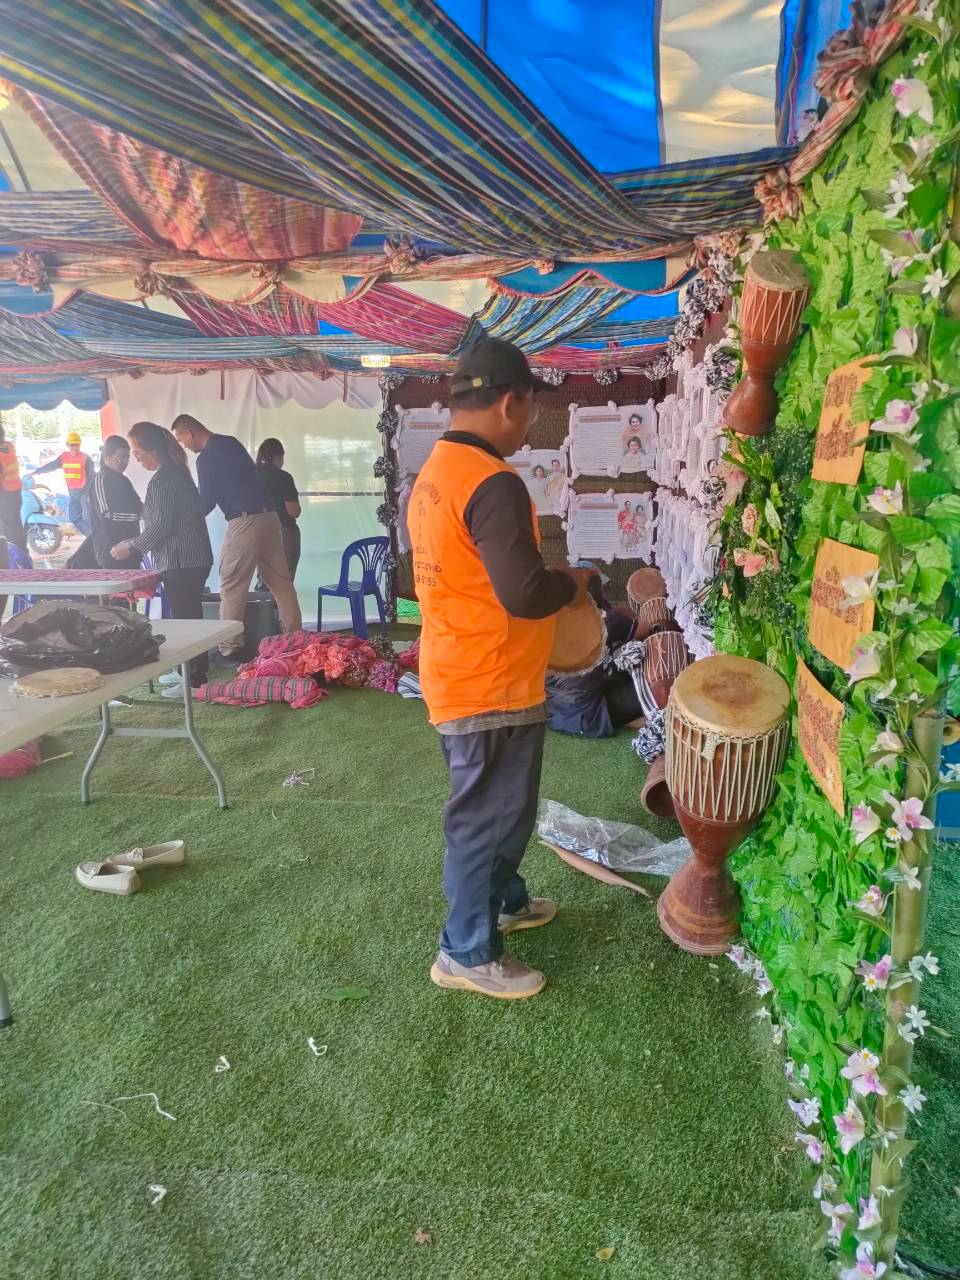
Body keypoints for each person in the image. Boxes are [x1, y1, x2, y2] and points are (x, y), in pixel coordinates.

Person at [409, 337, 593, 1001]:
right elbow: (523, 593)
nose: (526, 427)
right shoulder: (493, 481)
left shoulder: (437, 471)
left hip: (458, 667)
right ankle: (466, 951)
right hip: (490, 683)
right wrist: (571, 583)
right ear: (512, 403)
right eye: (530, 412)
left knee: (496, 811)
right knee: (488, 821)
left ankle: (507, 902)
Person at [171, 414, 301, 658]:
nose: (184, 446)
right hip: (270, 517)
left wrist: (181, 520)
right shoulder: (230, 442)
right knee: (281, 582)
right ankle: (295, 638)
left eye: (181, 440)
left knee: (232, 583)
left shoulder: (206, 457)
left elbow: (206, 501)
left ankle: (229, 647)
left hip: (245, 521)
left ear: (189, 433)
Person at [110, 421, 213, 688]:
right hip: (191, 558)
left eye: (137, 452)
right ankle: (190, 671)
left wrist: (131, 546)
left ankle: (194, 679)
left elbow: (161, 526)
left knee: (186, 620)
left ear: (152, 449)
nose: (136, 458)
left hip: (182, 559)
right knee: (190, 616)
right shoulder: (175, 473)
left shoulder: (164, 480)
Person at [255, 437, 301, 582]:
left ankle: (263, 597)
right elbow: (293, 511)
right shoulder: (284, 477)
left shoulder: (252, 475)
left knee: (264, 581)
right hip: (284, 532)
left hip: (258, 532)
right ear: (279, 456)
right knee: (283, 582)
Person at [32, 431, 93, 534]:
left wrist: (91, 494)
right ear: (67, 445)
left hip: (85, 494)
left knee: (89, 518)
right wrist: (36, 472)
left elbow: (92, 476)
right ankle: (92, 537)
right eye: (72, 445)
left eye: (77, 444)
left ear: (80, 444)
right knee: (74, 517)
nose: (75, 447)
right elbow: (52, 465)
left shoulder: (86, 458)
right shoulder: (64, 457)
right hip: (73, 495)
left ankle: (95, 539)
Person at [0, 423, 24, 551]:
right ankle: (23, 556)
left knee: (8, 532)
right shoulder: (9, 446)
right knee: (17, 528)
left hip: (5, 496)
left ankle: (14, 557)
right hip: (16, 493)